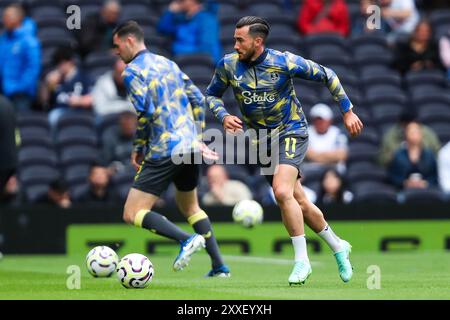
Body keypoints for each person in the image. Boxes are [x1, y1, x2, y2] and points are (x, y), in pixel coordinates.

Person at [206, 16, 363, 285]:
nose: (235, 44)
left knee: (280, 191)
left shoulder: (284, 61)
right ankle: (338, 246)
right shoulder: (228, 65)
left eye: (240, 40)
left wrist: (347, 111)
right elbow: (211, 95)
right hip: (262, 142)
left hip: (291, 131)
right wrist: (222, 116)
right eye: (234, 39)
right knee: (297, 200)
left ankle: (302, 261)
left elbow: (328, 75)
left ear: (258, 41)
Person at [112, 21, 229, 277]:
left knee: (132, 213)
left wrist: (139, 147)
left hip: (165, 146)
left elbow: (145, 112)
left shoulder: (131, 72)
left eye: (117, 45)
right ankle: (219, 266)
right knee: (190, 207)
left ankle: (185, 239)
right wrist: (196, 136)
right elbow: (198, 99)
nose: (116, 52)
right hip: (189, 146)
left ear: (130, 40)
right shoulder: (168, 63)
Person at [0, 4, 40, 112]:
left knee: (21, 125)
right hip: (4, 92)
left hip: (21, 95)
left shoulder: (28, 40)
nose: (3, 20)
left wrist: (20, 87)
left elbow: (33, 67)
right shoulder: (4, 39)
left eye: (6, 17)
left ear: (16, 18)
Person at [42, 46, 93, 127]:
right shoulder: (54, 79)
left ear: (70, 61)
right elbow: (44, 102)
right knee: (53, 116)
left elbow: (92, 98)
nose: (60, 66)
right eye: (58, 63)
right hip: (60, 111)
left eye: (62, 62)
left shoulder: (83, 77)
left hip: (80, 110)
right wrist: (47, 86)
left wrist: (80, 101)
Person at [157, 0, 222, 63]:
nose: (179, 2)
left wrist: (176, 48)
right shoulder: (182, 18)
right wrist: (170, 11)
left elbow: (207, 48)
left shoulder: (206, 19)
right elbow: (163, 29)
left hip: (204, 64)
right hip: (184, 60)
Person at [388, 122, 438, 190]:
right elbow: (392, 176)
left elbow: (434, 176)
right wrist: (404, 183)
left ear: (421, 134)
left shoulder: (429, 155)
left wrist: (426, 183)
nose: (414, 134)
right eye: (411, 132)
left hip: (427, 191)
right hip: (403, 191)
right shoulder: (398, 155)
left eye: (416, 131)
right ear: (406, 134)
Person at [305, 103, 348, 173]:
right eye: (317, 120)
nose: (319, 122)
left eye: (322, 120)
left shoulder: (337, 133)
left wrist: (317, 156)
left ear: (329, 121)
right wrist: (331, 158)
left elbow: (342, 155)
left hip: (334, 171)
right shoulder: (306, 133)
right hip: (311, 171)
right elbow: (308, 154)